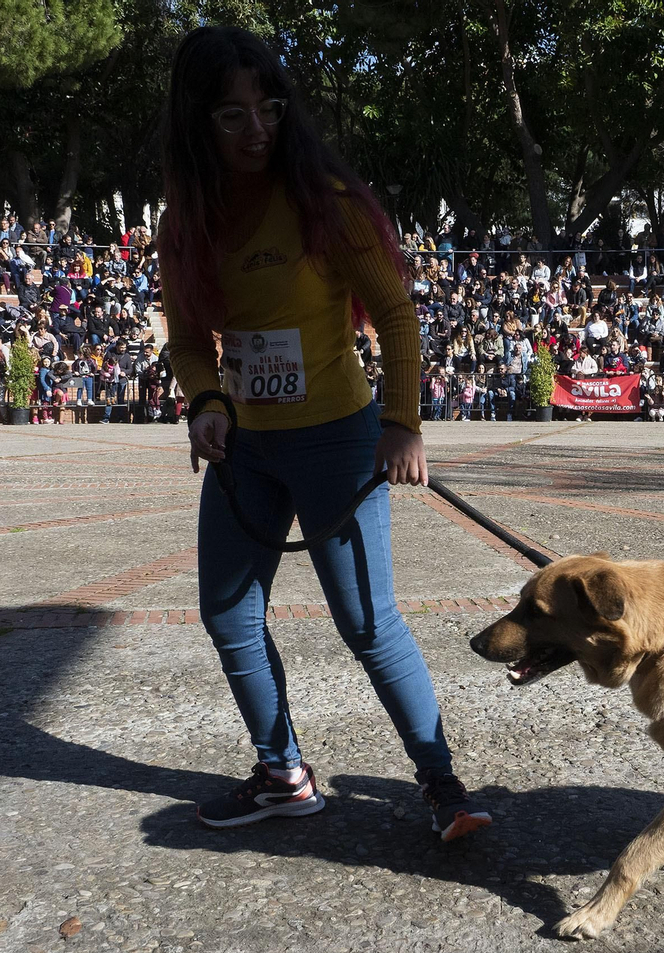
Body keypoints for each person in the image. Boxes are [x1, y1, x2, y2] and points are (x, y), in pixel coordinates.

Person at [159, 27, 489, 841]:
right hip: (245, 449)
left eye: (266, 109)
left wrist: (402, 421)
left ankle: (444, 786)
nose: (254, 130)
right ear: (196, 121)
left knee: (369, 624)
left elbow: (397, 315)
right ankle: (282, 773)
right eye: (230, 116)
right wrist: (206, 399)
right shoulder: (187, 221)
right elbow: (186, 338)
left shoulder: (324, 204)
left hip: (337, 442)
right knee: (228, 616)